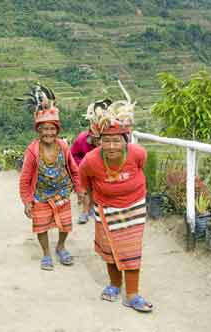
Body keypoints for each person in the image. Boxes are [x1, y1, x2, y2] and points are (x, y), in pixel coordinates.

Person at [79, 81, 153, 312]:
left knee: (131, 251)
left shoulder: (138, 153)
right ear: (99, 141)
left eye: (116, 141)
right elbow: (84, 182)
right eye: (106, 140)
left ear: (126, 141)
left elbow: (141, 169)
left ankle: (132, 294)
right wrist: (88, 201)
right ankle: (113, 284)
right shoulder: (90, 160)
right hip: (105, 208)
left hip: (134, 208)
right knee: (110, 250)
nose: (111, 145)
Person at [18, 84, 85, 271]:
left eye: (52, 129)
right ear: (38, 131)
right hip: (41, 193)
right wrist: (27, 201)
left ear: (57, 130)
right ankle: (46, 253)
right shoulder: (32, 151)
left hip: (63, 191)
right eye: (44, 129)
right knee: (41, 226)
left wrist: (79, 190)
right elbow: (25, 179)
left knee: (65, 224)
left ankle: (61, 246)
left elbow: (74, 169)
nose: (48, 133)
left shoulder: (63, 146)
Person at [71, 99, 112, 224]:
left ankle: (96, 209)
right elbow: (73, 154)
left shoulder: (110, 143)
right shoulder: (82, 139)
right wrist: (81, 165)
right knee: (85, 189)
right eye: (96, 139)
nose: (99, 142)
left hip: (103, 169)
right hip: (84, 168)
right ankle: (85, 212)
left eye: (101, 139)